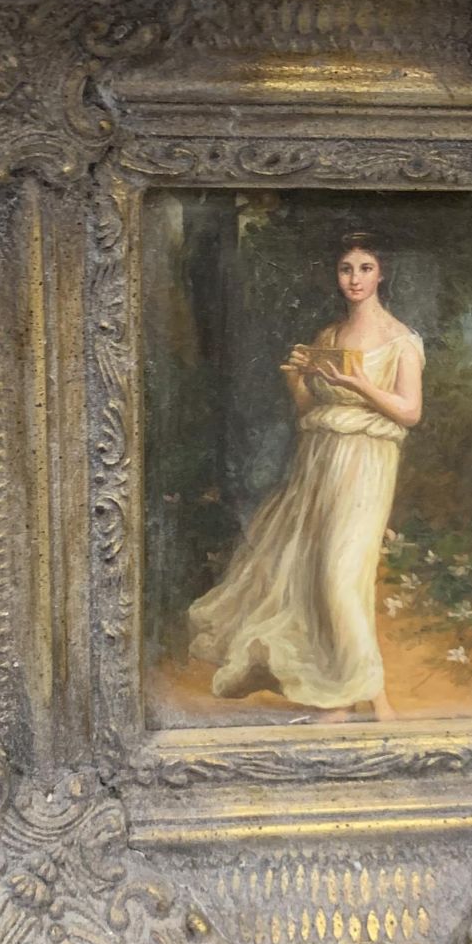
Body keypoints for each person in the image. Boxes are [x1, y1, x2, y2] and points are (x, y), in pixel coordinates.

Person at [189, 231, 424, 720]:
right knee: (315, 576)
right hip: (319, 461)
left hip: (366, 463)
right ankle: (350, 696)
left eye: (364, 268)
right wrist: (297, 381)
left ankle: (365, 697)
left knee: (343, 577)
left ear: (381, 274)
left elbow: (409, 412)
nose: (354, 279)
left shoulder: (402, 341)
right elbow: (309, 414)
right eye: (346, 269)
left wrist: (358, 383)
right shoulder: (329, 338)